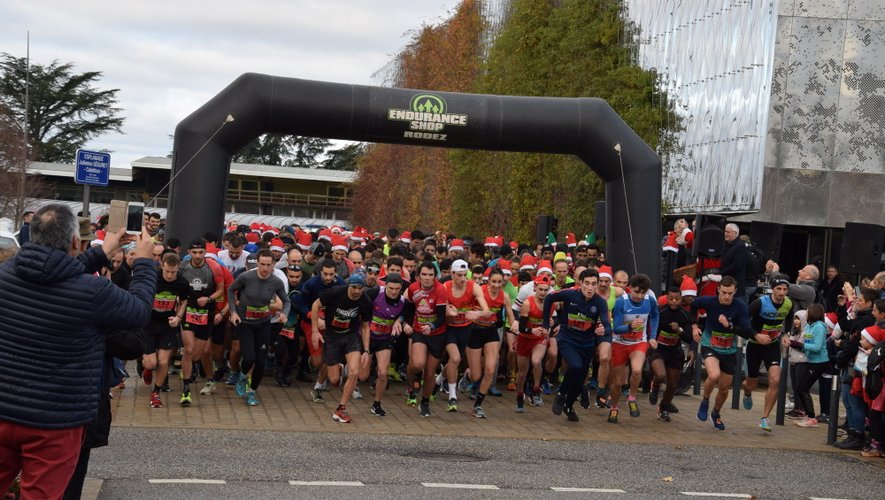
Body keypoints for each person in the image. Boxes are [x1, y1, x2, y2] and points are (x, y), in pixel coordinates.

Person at [0, 203, 156, 498]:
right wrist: (146, 264)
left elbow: (53, 272)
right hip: (55, 422)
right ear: (74, 241)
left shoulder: (5, 274)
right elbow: (138, 312)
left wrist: (102, 251)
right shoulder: (93, 292)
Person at [542, 268, 612, 422]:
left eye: (594, 284)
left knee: (580, 381)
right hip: (567, 339)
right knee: (575, 365)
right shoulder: (569, 294)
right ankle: (561, 394)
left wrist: (602, 329)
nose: (590, 288)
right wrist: (546, 324)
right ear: (580, 283)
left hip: (586, 344)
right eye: (586, 283)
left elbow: (607, 326)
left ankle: (568, 405)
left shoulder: (600, 302)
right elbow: (548, 299)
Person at [691, 276, 756, 431]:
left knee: (724, 388)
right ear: (718, 289)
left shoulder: (740, 307)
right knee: (713, 375)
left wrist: (730, 326)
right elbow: (693, 305)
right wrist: (694, 326)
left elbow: (747, 331)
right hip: (710, 344)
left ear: (735, 292)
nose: (726, 297)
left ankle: (716, 413)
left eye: (730, 293)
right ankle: (705, 401)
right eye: (724, 292)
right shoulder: (708, 302)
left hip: (729, 350)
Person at [228, 249, 290, 406]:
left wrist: (285, 313)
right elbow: (230, 290)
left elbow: (286, 301)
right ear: (257, 263)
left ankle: (252, 392)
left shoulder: (276, 281)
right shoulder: (246, 277)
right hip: (245, 323)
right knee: (249, 358)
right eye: (262, 264)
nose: (265, 268)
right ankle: (242, 376)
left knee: (261, 362)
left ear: (273, 265)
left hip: (263, 324)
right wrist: (233, 312)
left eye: (268, 265)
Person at [311, 274, 372, 423]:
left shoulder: (365, 301)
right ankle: (339, 366)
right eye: (354, 288)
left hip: (350, 336)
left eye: (360, 288)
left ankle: (341, 409)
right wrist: (314, 331)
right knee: (334, 381)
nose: (357, 291)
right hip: (332, 337)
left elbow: (365, 327)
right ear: (348, 286)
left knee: (354, 372)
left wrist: (366, 350)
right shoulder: (335, 292)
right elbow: (315, 305)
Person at [740, 275, 794, 431]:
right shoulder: (760, 303)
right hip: (755, 345)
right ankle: (747, 392)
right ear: (772, 289)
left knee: (775, 380)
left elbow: (789, 321)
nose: (782, 292)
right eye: (778, 289)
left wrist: (785, 334)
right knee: (751, 384)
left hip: (772, 345)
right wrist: (756, 334)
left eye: (785, 289)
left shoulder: (789, 304)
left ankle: (764, 418)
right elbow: (743, 320)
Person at [608, 274, 659, 423]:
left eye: (643, 292)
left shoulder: (650, 301)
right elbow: (616, 328)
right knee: (618, 382)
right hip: (620, 342)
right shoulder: (621, 302)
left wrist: (652, 336)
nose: (639, 295)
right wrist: (630, 326)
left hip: (639, 342)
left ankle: (632, 398)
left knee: (637, 370)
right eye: (636, 292)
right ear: (630, 289)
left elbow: (655, 317)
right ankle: (614, 408)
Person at [466, 268, 517, 418]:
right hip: (475, 330)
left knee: (490, 369)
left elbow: (510, 315)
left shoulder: (505, 296)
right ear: (488, 281)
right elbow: (467, 306)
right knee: (476, 375)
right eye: (493, 281)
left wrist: (514, 324)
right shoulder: (480, 291)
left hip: (491, 331)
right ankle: (467, 377)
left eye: (499, 282)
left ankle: (478, 406)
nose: (496, 285)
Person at [142, 252, 190, 409]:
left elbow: (183, 302)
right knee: (150, 363)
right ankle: (147, 369)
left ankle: (156, 393)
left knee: (163, 361)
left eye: (173, 272)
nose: (170, 275)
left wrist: (178, 317)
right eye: (167, 271)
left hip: (167, 324)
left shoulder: (182, 283)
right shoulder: (152, 278)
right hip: (149, 323)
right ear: (161, 266)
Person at [402, 262, 449, 417]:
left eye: (430, 275)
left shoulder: (441, 289)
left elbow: (442, 317)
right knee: (417, 364)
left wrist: (432, 325)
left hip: (437, 333)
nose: (427, 278)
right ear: (419, 276)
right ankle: (413, 379)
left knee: (429, 372)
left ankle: (425, 402)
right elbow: (408, 309)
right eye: (424, 274)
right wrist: (407, 323)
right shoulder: (413, 288)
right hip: (419, 331)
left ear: (435, 276)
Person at [360, 272, 407, 417]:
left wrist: (400, 321)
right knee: (363, 377)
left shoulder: (403, 301)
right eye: (391, 288)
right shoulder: (375, 293)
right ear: (386, 285)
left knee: (382, 372)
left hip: (385, 339)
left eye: (397, 289)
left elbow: (408, 313)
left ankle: (377, 404)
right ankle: (349, 367)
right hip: (368, 337)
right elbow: (360, 303)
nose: (393, 292)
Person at [648, 288, 693, 421]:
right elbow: (650, 329)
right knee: (661, 375)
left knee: (673, 384)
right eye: (671, 298)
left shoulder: (685, 315)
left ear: (681, 299)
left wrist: (679, 330)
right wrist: (651, 343)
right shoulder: (660, 311)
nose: (673, 301)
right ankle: (655, 386)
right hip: (659, 349)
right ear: (666, 298)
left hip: (674, 351)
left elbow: (689, 338)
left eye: (677, 299)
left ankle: (663, 408)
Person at [511, 275, 553, 412]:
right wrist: (531, 330)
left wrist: (554, 323)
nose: (543, 293)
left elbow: (558, 318)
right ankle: (519, 395)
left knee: (536, 361)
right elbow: (522, 327)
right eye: (540, 289)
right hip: (524, 337)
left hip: (539, 339)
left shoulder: (551, 303)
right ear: (535, 288)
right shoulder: (527, 303)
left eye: (546, 290)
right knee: (522, 372)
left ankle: (536, 389)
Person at [790, 303, 830, 428]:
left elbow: (817, 347)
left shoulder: (819, 327)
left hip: (819, 362)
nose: (806, 314)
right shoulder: (809, 326)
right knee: (801, 387)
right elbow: (807, 343)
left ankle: (811, 418)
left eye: (808, 311)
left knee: (802, 387)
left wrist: (799, 345)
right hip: (811, 361)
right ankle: (809, 416)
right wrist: (795, 344)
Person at [720, 223, 749, 303]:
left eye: (728, 232)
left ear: (735, 233)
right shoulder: (726, 244)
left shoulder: (740, 246)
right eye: (725, 232)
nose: (725, 234)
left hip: (736, 287)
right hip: (726, 283)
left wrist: (721, 273)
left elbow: (737, 265)